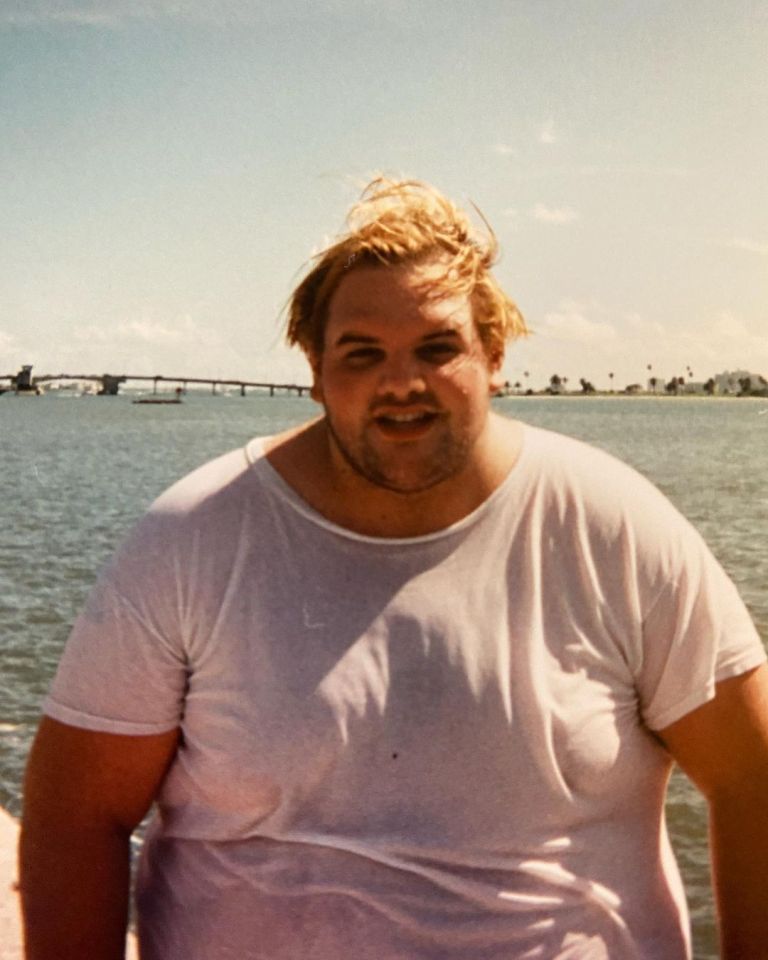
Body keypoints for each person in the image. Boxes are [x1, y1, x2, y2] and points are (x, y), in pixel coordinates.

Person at [20, 178, 768, 960]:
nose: (402, 382)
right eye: (362, 353)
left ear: (495, 356)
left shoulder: (616, 528)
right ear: (314, 369)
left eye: (438, 348)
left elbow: (751, 777)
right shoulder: (192, 540)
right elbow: (77, 813)